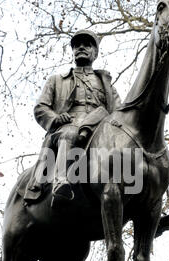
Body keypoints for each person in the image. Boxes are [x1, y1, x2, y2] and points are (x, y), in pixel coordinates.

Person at [24, 29, 121, 208]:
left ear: (95, 52)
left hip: (101, 127)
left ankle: (147, 202)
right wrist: (55, 118)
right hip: (68, 124)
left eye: (87, 44)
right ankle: (61, 182)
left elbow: (119, 112)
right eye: (77, 45)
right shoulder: (57, 80)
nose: (81, 47)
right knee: (69, 134)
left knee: (133, 147)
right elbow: (40, 108)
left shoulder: (107, 84)